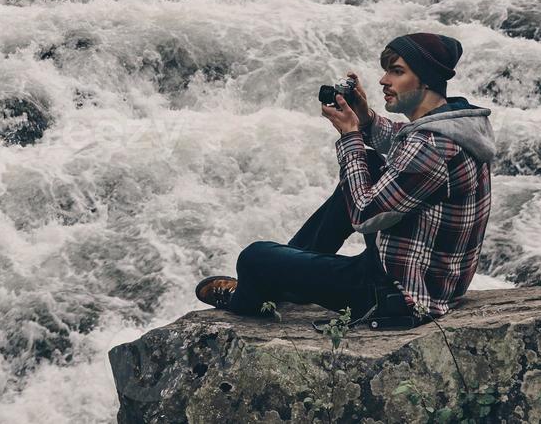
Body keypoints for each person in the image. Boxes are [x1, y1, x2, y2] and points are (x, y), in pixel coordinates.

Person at [196, 32, 495, 321]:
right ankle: (282, 279)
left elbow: (364, 214)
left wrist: (350, 135)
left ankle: (253, 296)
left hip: (396, 293)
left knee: (254, 257)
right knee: (369, 161)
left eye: (396, 72)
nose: (383, 80)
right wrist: (366, 120)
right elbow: (404, 144)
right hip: (432, 278)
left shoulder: (431, 147)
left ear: (426, 79)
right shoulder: (456, 125)